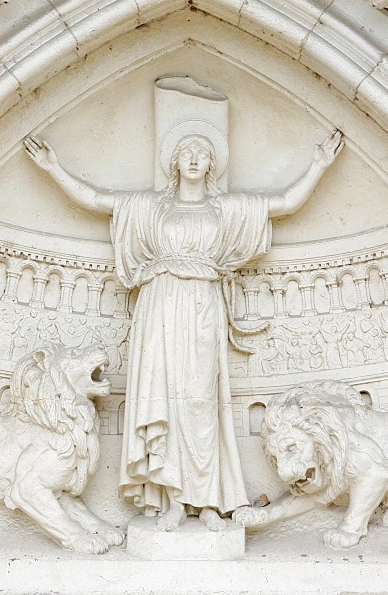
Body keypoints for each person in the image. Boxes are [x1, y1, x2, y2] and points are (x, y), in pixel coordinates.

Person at [24, 129, 343, 531]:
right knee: (162, 399)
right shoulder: (149, 208)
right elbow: (95, 199)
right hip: (158, 304)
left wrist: (318, 164)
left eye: (202, 153)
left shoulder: (225, 210)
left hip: (203, 305)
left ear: (211, 165)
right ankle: (173, 499)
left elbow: (284, 203)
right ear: (173, 162)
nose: (193, 158)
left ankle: (208, 500)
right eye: (186, 152)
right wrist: (54, 169)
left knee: (199, 402)